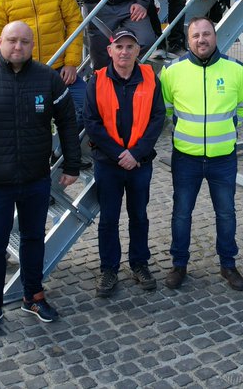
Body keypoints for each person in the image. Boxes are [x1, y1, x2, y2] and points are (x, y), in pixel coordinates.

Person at [0, 21, 83, 338]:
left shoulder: (47, 79)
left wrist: (72, 165)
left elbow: (67, 120)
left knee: (34, 240)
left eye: (24, 41)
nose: (17, 46)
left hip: (36, 180)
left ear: (32, 45)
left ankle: (33, 296)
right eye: (12, 40)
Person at [159, 17, 243, 291]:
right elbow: (166, 109)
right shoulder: (172, 71)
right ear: (188, 41)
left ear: (215, 36)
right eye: (196, 35)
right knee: (181, 213)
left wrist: (227, 128)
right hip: (185, 158)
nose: (202, 40)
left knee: (226, 213)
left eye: (207, 34)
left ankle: (228, 264)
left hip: (223, 158)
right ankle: (179, 265)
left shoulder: (236, 70)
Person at [82, 30, 166, 297]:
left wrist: (136, 154)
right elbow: (92, 123)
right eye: (119, 47)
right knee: (108, 219)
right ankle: (109, 269)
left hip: (140, 164)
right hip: (109, 163)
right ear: (110, 51)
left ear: (137, 51)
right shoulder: (96, 80)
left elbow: (158, 118)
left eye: (130, 46)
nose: (124, 52)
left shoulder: (151, 78)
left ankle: (139, 264)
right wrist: (120, 153)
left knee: (139, 216)